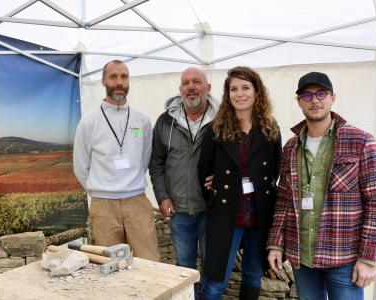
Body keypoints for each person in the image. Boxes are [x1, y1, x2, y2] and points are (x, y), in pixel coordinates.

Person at [267, 71, 376, 300]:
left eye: (321, 93)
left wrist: (369, 258)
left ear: (333, 98)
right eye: (307, 95)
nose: (315, 100)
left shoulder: (360, 141)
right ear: (299, 102)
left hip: (344, 257)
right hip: (303, 258)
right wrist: (276, 243)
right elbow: (283, 199)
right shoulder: (291, 147)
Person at [197, 66, 282, 300]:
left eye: (246, 87)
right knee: (215, 282)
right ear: (228, 94)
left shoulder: (270, 129)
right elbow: (204, 174)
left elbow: (273, 171)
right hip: (227, 214)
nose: (239, 94)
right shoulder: (215, 130)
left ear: (257, 92)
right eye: (234, 89)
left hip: (259, 214)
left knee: (253, 275)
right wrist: (224, 188)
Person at [73, 60, 160, 262]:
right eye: (113, 77)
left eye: (124, 76)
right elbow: (81, 166)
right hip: (103, 206)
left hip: (137, 201)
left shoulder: (142, 120)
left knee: (149, 264)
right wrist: (101, 190)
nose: (119, 82)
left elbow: (144, 158)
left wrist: (129, 184)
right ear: (103, 81)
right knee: (110, 267)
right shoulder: (89, 122)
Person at [149, 67, 219, 298]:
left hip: (212, 209)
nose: (191, 87)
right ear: (180, 89)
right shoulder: (165, 121)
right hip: (179, 210)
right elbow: (156, 162)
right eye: (186, 83)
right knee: (184, 268)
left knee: (212, 267)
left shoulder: (222, 120)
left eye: (197, 82)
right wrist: (162, 196)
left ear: (208, 88)